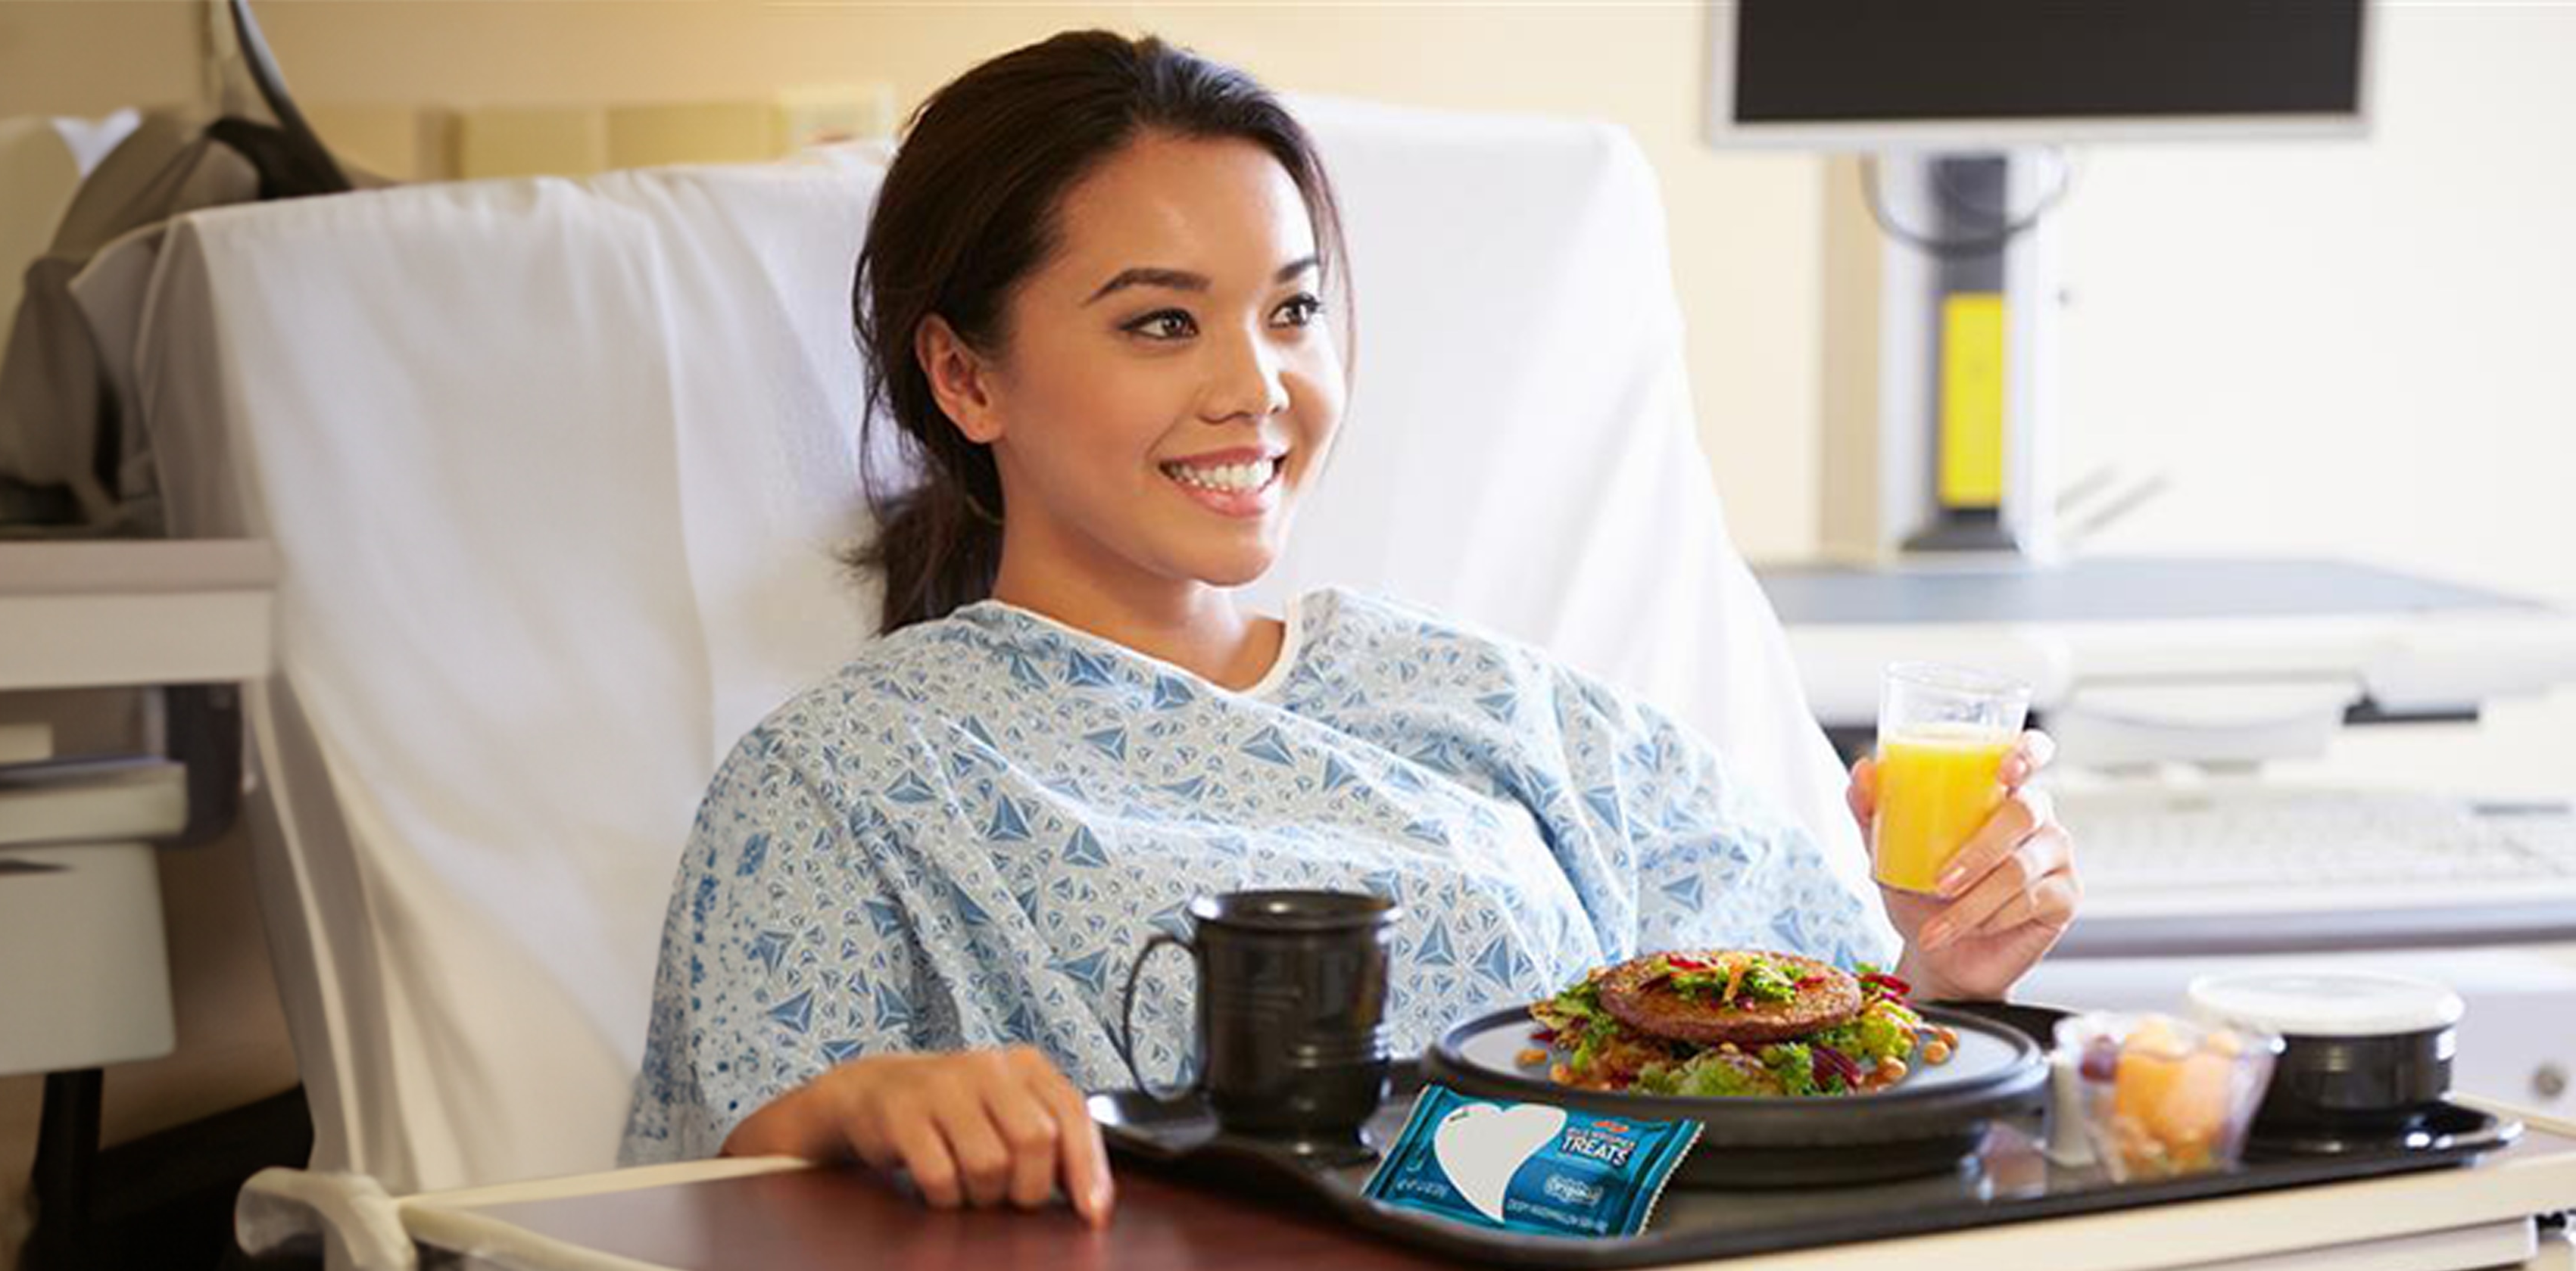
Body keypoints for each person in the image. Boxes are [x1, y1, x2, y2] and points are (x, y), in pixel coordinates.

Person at [617, 30, 2081, 1226]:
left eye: (1293, 311)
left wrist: (1942, 960)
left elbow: (1836, 1039)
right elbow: (718, 1198)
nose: (1257, 388)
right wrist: (856, 1117)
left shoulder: (1494, 710)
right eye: (1161, 323)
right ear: (965, 377)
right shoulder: (847, 785)